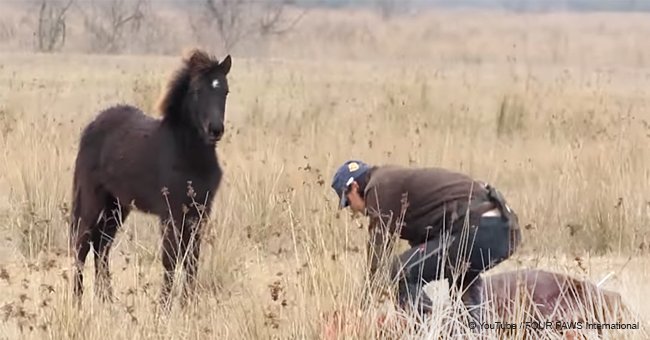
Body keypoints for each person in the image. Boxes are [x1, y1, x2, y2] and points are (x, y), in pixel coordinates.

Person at [330, 160, 523, 323]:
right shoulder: (393, 182)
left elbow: (378, 258)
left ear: (354, 187)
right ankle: (473, 331)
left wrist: (361, 308)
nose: (353, 210)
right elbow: (425, 252)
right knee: (461, 278)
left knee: (401, 270)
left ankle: (424, 330)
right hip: (501, 230)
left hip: (478, 227)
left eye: (348, 202)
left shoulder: (379, 186)